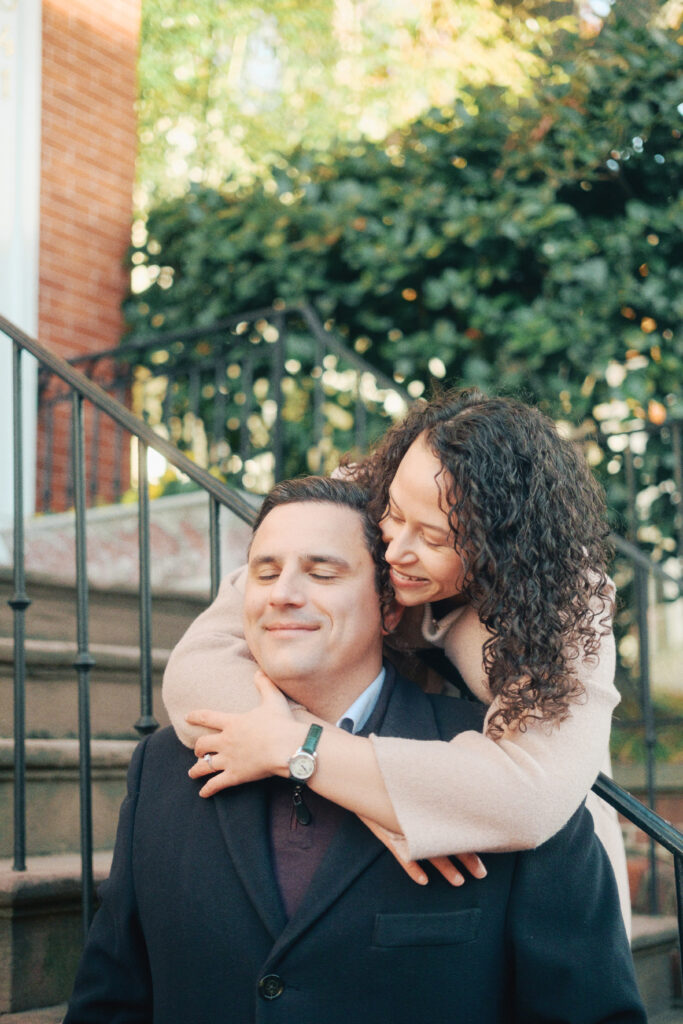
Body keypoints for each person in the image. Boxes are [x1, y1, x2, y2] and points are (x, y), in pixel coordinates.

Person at [64, 478, 645, 1024]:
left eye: (322, 573)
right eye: (265, 573)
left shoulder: (503, 773)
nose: (284, 595)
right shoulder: (164, 766)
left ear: (392, 608)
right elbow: (112, 998)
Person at [163, 389, 631, 926]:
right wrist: (330, 766)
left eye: (432, 537)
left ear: (501, 547)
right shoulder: (355, 502)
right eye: (394, 514)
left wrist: (309, 752)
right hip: (402, 757)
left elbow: (529, 795)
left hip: (535, 833)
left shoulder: (566, 598)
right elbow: (197, 668)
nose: (393, 550)